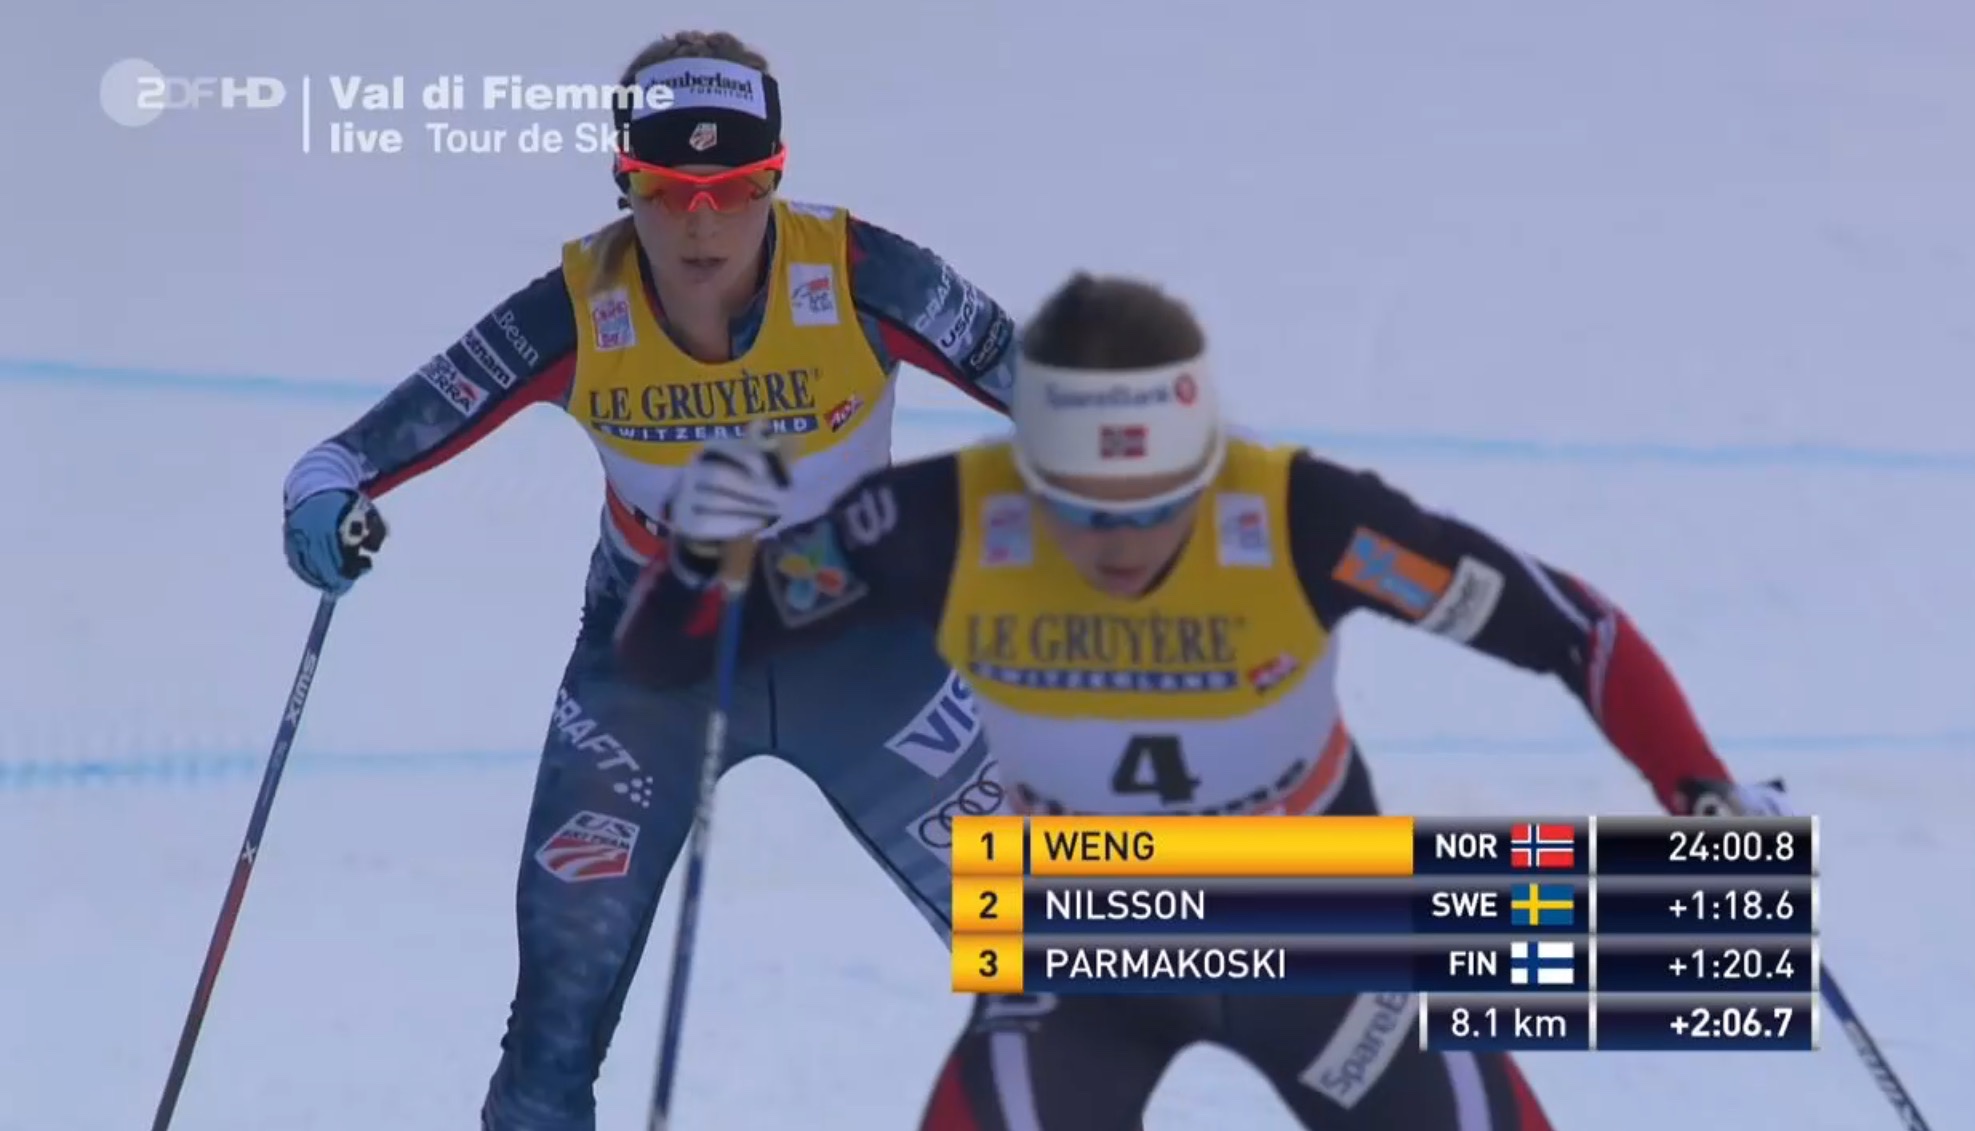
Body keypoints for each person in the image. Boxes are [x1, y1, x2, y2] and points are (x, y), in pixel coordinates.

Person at [614, 271, 1795, 1129]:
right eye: (1078, 507)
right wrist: (701, 563)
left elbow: (1566, 628)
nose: (1117, 542)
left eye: (1152, 506)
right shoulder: (940, 520)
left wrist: (1691, 783)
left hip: (1324, 919)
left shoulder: (1303, 519)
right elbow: (681, 655)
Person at [276, 30, 1025, 1131]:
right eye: (668, 189)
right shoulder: (578, 307)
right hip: (648, 666)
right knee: (552, 1033)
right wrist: (322, 502)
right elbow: (351, 453)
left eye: (732, 188)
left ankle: (1348, 915)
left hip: (861, 653)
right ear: (624, 180)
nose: (700, 220)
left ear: (776, 176)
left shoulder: (866, 275)